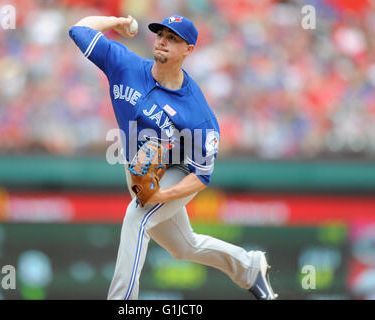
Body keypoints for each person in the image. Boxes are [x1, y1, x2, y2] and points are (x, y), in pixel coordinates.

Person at [69, 14, 277, 300]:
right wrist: (117, 20)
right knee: (183, 246)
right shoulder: (125, 65)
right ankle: (249, 267)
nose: (163, 41)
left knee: (137, 218)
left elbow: (202, 176)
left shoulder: (197, 114)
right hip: (139, 169)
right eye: (161, 35)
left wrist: (162, 196)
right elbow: (79, 29)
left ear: (188, 50)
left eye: (173, 38)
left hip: (177, 170)